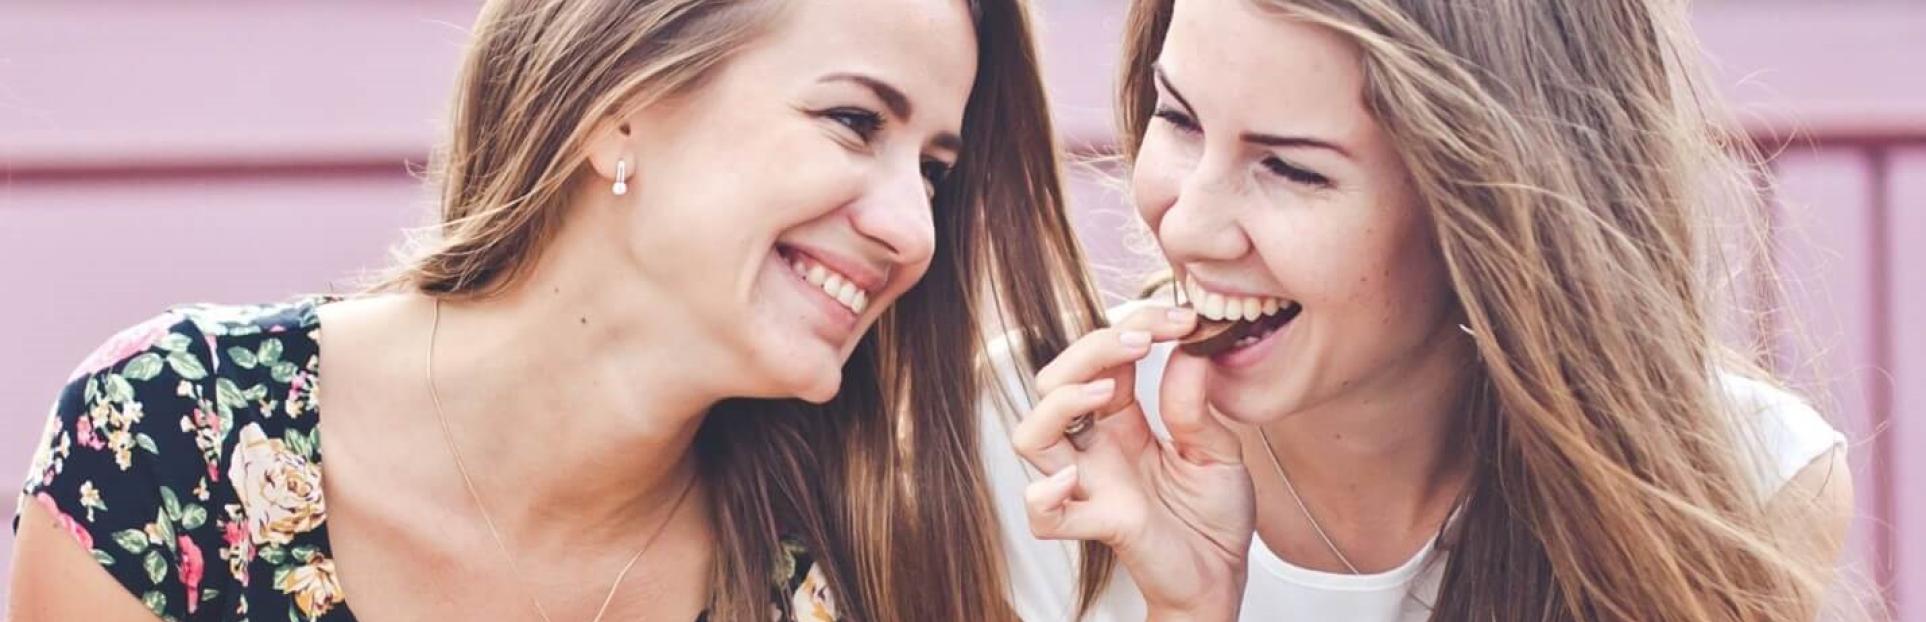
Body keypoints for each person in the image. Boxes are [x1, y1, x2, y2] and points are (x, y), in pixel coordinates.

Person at [11, 1, 1089, 620]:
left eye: (935, 171)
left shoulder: (856, 570)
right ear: (615, 109)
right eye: (855, 121)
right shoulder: (170, 435)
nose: (914, 229)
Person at [984, 0, 1855, 619]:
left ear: (1491, 212)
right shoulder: (1033, 438)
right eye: (1177, 118)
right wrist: (1191, 607)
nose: (1190, 223)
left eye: (1291, 169)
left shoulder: (1742, 489)